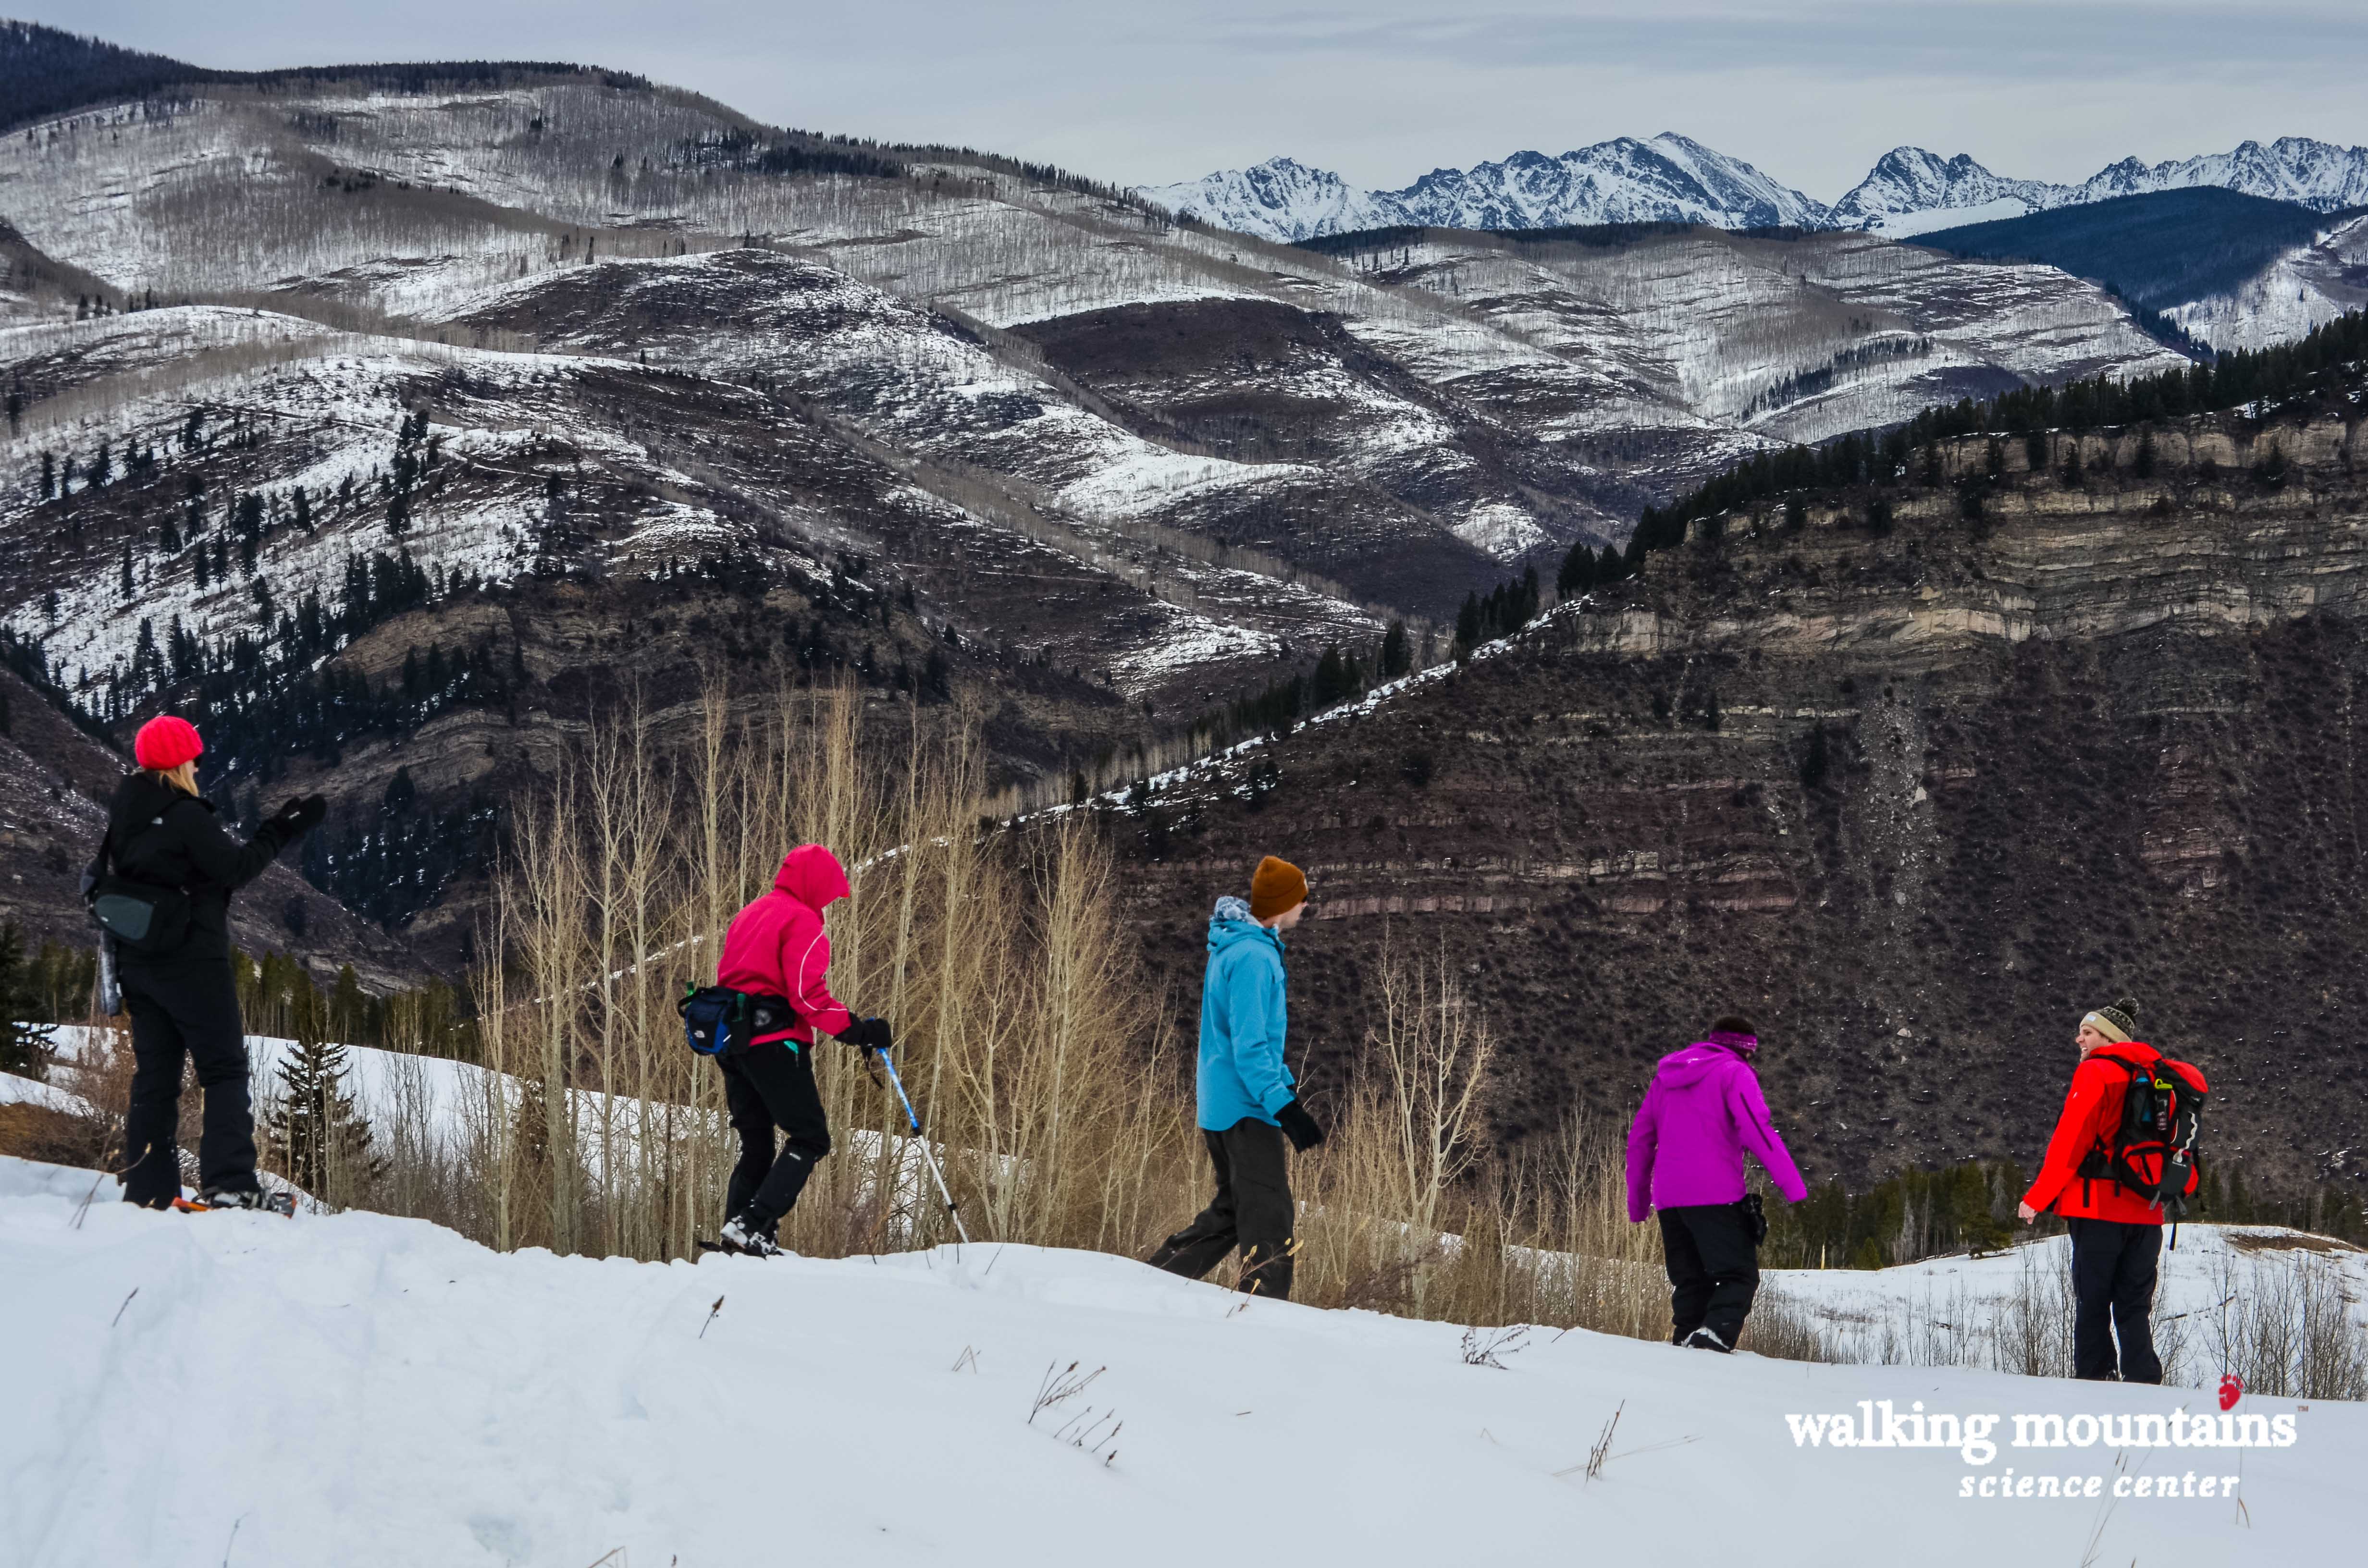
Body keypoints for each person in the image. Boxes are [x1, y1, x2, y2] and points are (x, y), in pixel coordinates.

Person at [98, 715, 325, 1210]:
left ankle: (148, 1189)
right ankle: (231, 1186)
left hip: (137, 961)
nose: (199, 766)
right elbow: (234, 869)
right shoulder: (183, 814)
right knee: (222, 1070)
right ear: (181, 760)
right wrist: (282, 828)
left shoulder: (127, 812)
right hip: (192, 960)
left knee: (155, 1079)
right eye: (195, 757)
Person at [1147, 855, 1325, 1301]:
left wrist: (1284, 1089)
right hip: (1245, 1108)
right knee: (1269, 1217)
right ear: (1283, 903)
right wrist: (1285, 1109)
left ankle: (1152, 1280)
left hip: (1223, 1102)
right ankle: (1264, 1314)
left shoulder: (1237, 946)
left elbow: (1249, 1039)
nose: (1306, 904)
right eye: (1301, 897)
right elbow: (1250, 1047)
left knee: (1233, 1209)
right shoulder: (1253, 957)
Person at [709, 843, 891, 1258]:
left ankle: (738, 1239)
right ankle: (754, 1227)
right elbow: (807, 998)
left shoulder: (750, 913)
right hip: (775, 1043)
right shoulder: (803, 920)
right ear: (815, 885)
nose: (829, 903)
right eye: (829, 893)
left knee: (756, 1144)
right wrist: (860, 1031)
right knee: (810, 1138)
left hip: (733, 1043)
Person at [2016, 998, 2178, 1383]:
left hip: (2098, 1211)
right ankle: (2144, 1382)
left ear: (2109, 1038)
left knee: (2092, 1304)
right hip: (2147, 1213)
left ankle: (2095, 1381)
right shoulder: (2160, 1077)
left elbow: (2070, 1142)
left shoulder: (2097, 1073)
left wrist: (2036, 1198)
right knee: (2134, 1306)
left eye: (2087, 1032)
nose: (2079, 1040)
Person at [1626, 1014, 1807, 1352]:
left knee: (1691, 1281)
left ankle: (1686, 1345)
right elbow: (1757, 1131)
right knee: (1740, 1276)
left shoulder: (1666, 1078)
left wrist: (1638, 1203)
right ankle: (1713, 1339)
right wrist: (1792, 1186)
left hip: (1669, 1199)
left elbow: (1639, 1141)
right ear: (1746, 1050)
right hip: (1715, 1195)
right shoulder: (1734, 1072)